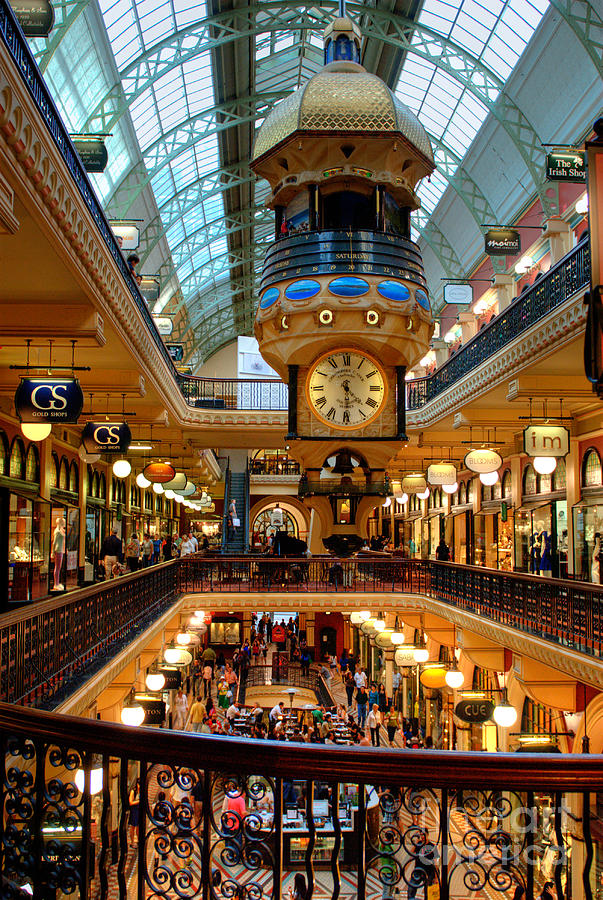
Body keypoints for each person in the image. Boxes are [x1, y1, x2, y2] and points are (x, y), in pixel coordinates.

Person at [407, 829, 438, 899]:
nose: (422, 836)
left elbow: (435, 862)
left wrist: (436, 877)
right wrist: (416, 843)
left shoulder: (432, 846)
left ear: (427, 835)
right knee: (411, 888)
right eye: (421, 835)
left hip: (428, 872)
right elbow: (411, 853)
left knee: (427, 892)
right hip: (418, 870)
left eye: (423, 834)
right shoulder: (418, 844)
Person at [52, 517, 66, 589]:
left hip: (61, 549)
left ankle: (57, 582)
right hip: (58, 550)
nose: (64, 524)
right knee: (57, 567)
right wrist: (53, 551)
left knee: (59, 567)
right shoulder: (57, 531)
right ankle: (56, 583)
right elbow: (54, 542)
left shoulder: (61, 530)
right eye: (63, 523)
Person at [128, 778, 140, 848]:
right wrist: (138, 802)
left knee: (138, 826)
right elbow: (131, 802)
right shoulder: (133, 791)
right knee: (133, 826)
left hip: (139, 810)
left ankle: (138, 840)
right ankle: (132, 841)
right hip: (134, 810)